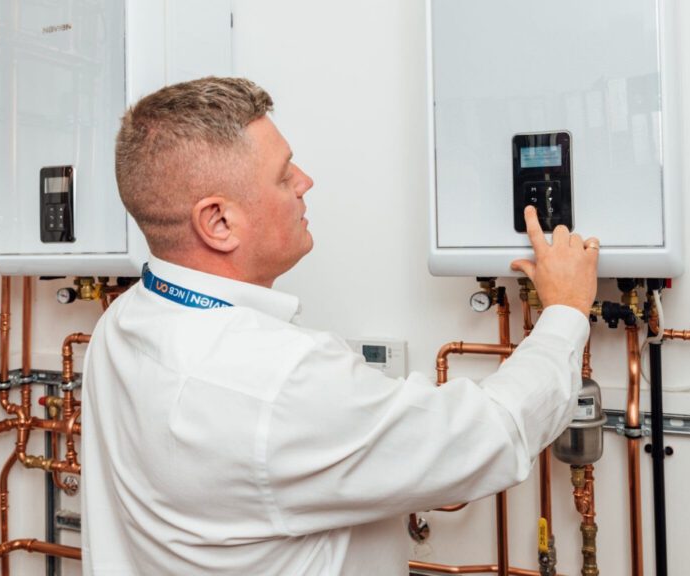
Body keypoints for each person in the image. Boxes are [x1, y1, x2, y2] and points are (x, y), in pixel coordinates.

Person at [80, 77, 599, 576]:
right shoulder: (276, 382)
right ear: (218, 222)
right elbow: (491, 432)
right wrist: (565, 310)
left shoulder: (124, 322)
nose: (306, 182)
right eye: (284, 175)